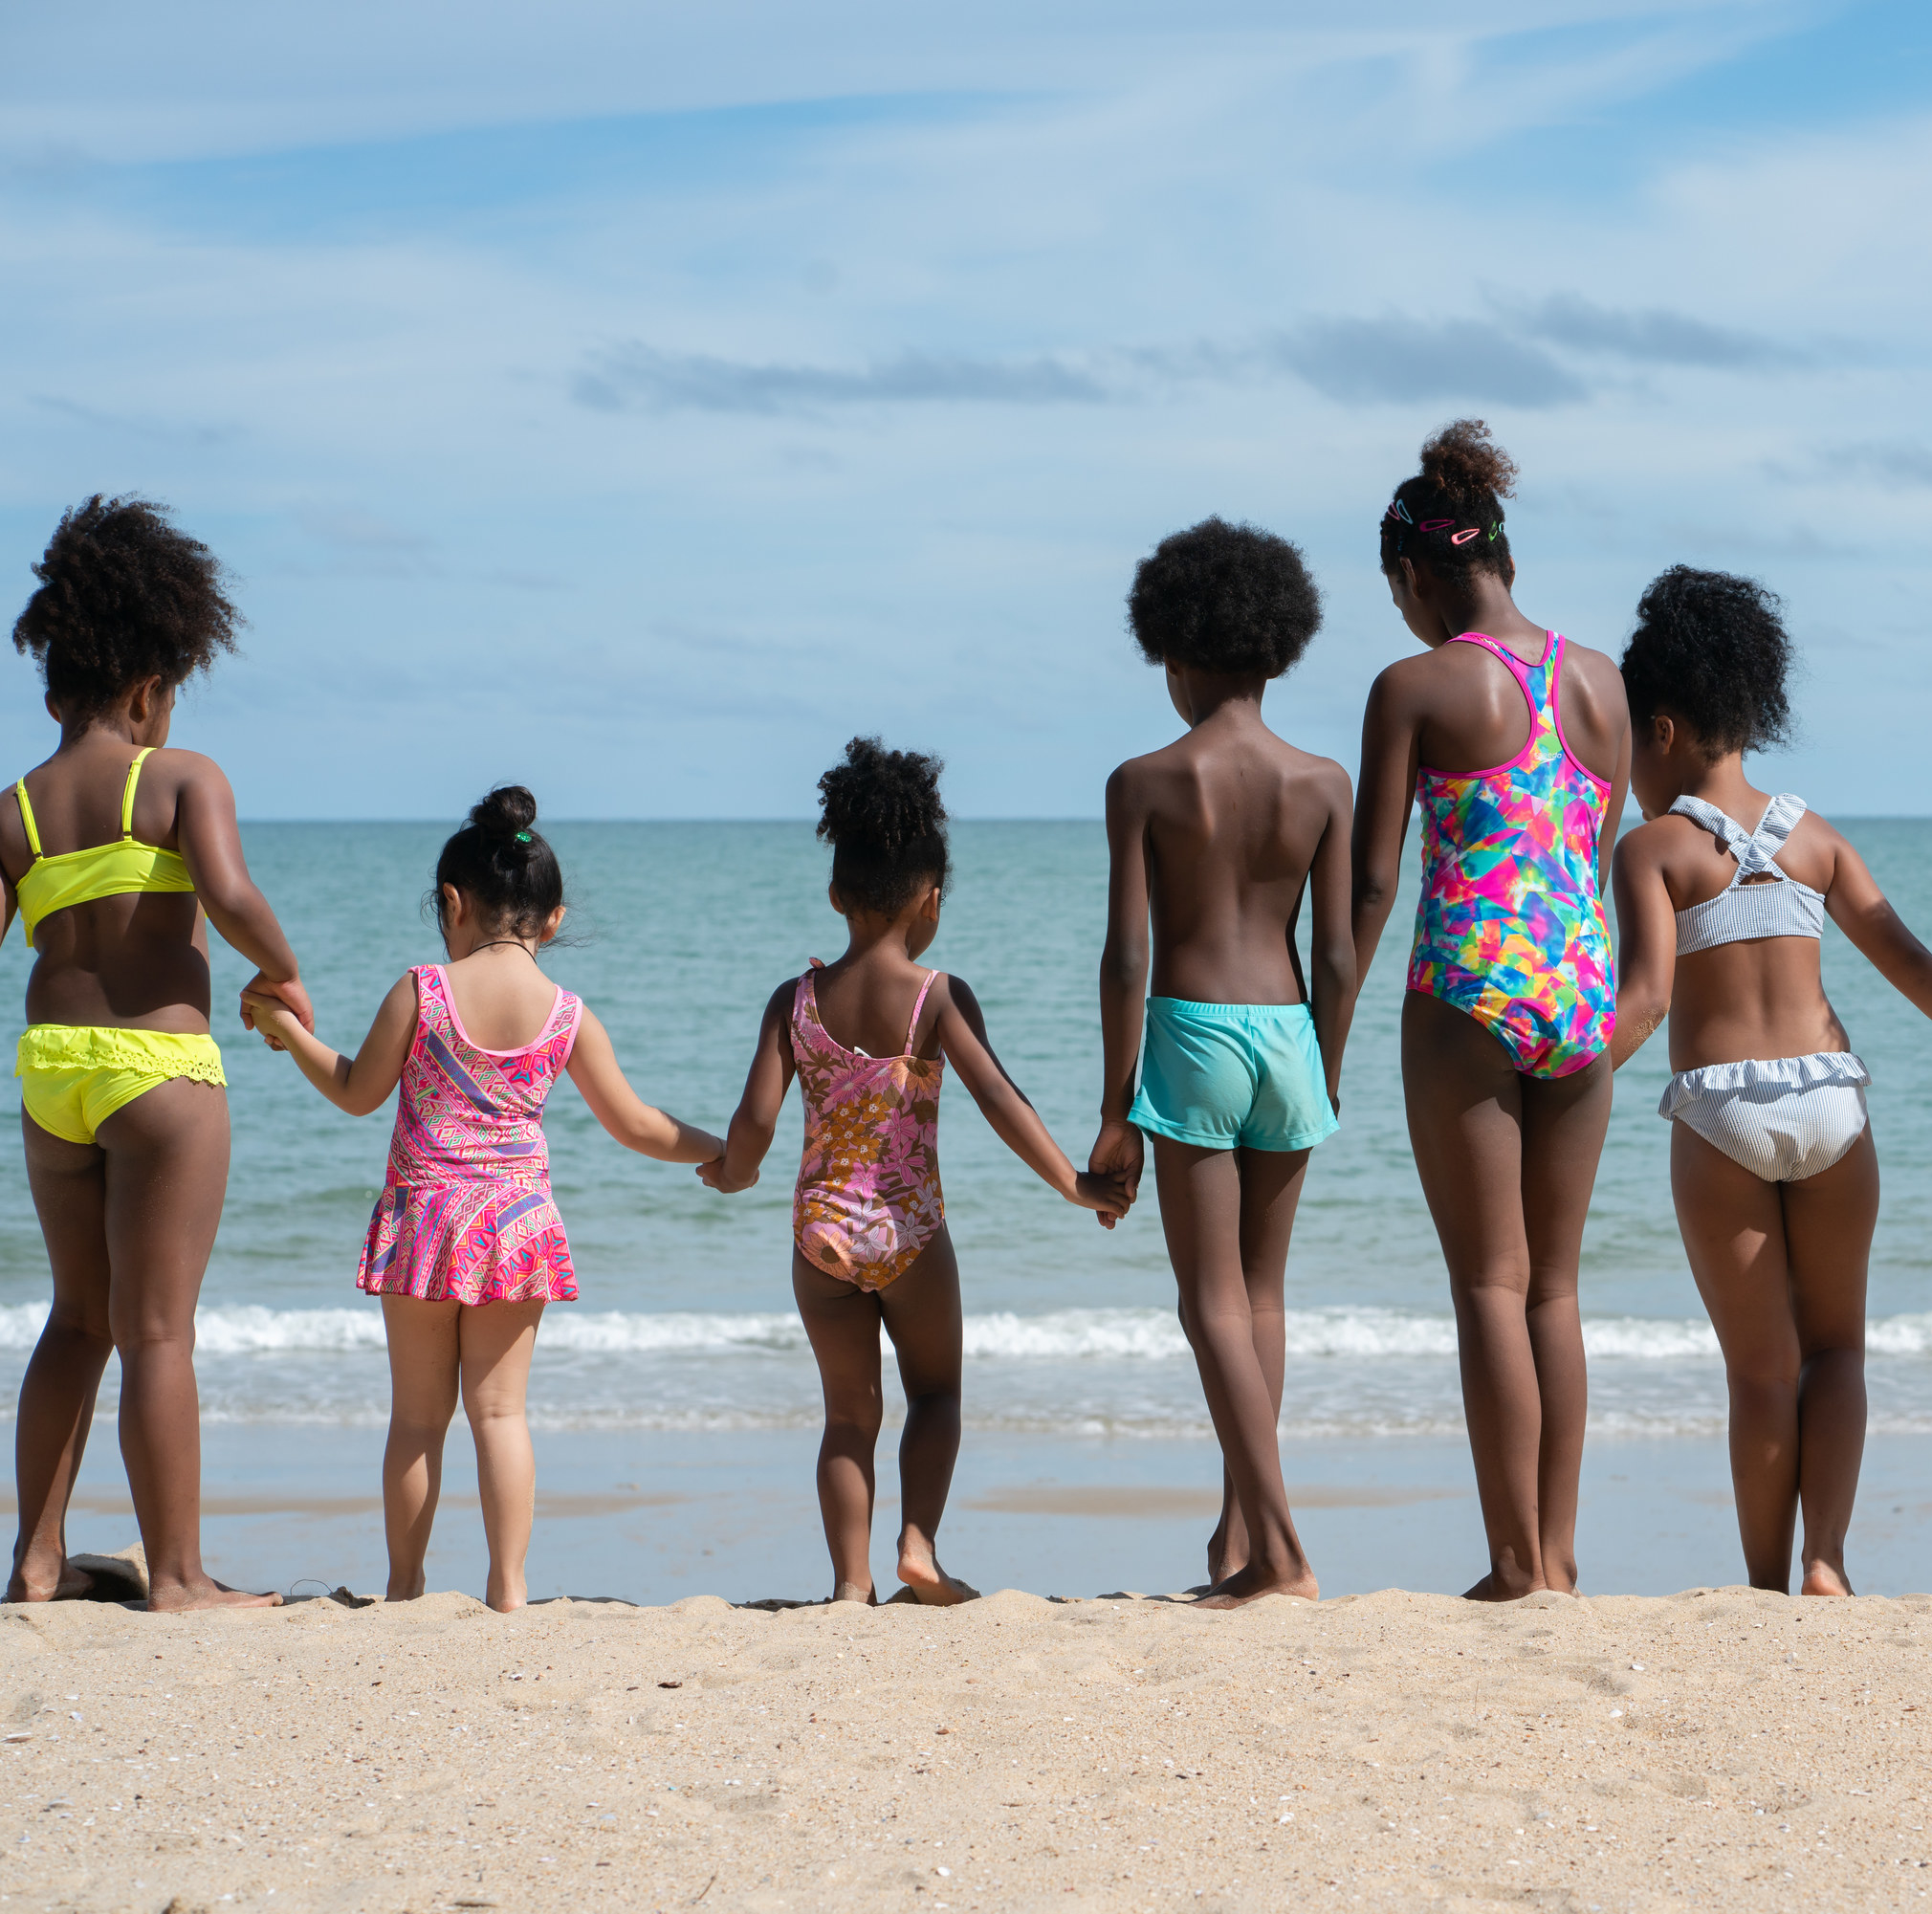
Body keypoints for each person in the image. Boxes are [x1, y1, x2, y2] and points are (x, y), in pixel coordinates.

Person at [1608, 566, 1932, 1595]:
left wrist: (1562, 1083)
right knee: (1837, 1353)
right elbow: (1911, 961)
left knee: (1760, 1370)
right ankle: (1828, 1563)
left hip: (1720, 1112)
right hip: (1834, 1105)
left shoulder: (1654, 850)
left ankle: (1760, 1585)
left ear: (1659, 730)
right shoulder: (1815, 839)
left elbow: (1649, 1000)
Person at [246, 789, 721, 1612]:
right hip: (513, 1224)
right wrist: (723, 1149)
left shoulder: (423, 990)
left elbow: (359, 1091)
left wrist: (290, 1033)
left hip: (427, 1218)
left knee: (417, 1421)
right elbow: (637, 1123)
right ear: (554, 915)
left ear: (453, 904)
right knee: (500, 1415)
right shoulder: (568, 1013)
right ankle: (509, 1588)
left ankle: (405, 1586)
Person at [704, 737, 1129, 1604]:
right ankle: (919, 1547)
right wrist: (1073, 1185)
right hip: (909, 1234)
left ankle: (850, 1585)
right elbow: (1002, 1101)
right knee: (935, 1394)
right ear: (932, 898)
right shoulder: (936, 995)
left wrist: (731, 1173)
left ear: (835, 895)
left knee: (847, 1418)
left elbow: (751, 1129)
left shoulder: (794, 1000)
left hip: (819, 1240)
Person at [2, 496, 308, 1611]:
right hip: (158, 1073)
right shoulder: (180, 780)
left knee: (75, 1319)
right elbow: (228, 896)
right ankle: (176, 1576)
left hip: (52, 1076)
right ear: (148, 688)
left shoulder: (16, 809)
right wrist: (283, 972)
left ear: (53, 690)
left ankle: (36, 1564)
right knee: (159, 1329)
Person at [1350, 420, 1630, 1601]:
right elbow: (1597, 843)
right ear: (1503, 558)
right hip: (1583, 986)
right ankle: (1559, 1557)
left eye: (1398, 594)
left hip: (1468, 982)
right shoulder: (1603, 681)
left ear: (1417, 577)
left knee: (1487, 1285)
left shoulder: (1413, 686)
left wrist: (1325, 1022)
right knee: (1556, 1287)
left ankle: (1511, 1563)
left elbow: (1371, 881)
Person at [1092, 519, 1352, 1607]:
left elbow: (1128, 954)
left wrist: (1116, 1107)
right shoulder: (1323, 781)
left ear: (1177, 656)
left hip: (1194, 1028)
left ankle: (1281, 1551)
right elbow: (1336, 954)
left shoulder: (1148, 781)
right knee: (1263, 1295)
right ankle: (1241, 1535)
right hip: (1290, 1033)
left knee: (1207, 1302)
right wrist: (1325, 1070)